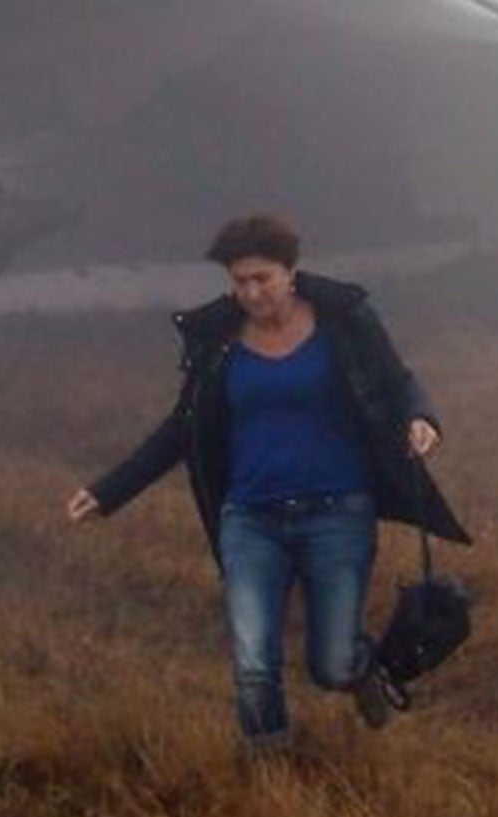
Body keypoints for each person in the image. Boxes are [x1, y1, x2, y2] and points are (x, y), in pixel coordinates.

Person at [66, 214, 469, 751]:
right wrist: (108, 490)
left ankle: (363, 670)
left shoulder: (344, 322)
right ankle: (269, 776)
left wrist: (422, 419)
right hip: (250, 519)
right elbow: (181, 428)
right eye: (239, 281)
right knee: (255, 663)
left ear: (291, 272)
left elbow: (398, 382)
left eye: (262, 278)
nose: (250, 292)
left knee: (329, 663)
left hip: (338, 513)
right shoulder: (218, 342)